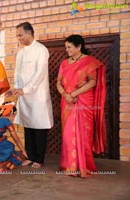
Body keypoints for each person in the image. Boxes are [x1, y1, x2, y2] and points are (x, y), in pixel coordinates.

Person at [56, 34, 106, 178]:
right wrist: (65, 95)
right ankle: (70, 166)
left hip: (83, 101)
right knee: (68, 134)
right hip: (67, 102)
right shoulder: (64, 63)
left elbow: (92, 82)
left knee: (84, 135)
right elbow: (58, 82)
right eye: (66, 47)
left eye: (70, 47)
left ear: (79, 46)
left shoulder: (89, 62)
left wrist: (74, 94)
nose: (67, 50)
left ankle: (84, 166)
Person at [6, 22, 54, 168]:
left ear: (29, 33)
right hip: (24, 96)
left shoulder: (41, 50)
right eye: (17, 36)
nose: (18, 38)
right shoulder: (21, 53)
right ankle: (30, 156)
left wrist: (26, 89)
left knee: (39, 127)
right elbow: (17, 73)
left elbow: (40, 74)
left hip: (38, 96)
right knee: (28, 126)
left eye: (20, 35)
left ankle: (39, 159)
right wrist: (16, 89)